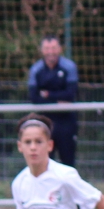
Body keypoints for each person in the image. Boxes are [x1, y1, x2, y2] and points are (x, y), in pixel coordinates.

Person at [27, 36, 81, 166]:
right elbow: (34, 97)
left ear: (60, 49)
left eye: (53, 48)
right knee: (44, 163)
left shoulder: (69, 67)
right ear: (42, 50)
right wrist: (57, 102)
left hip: (66, 121)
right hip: (44, 122)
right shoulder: (36, 69)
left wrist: (48, 94)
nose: (50, 52)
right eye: (47, 48)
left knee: (68, 163)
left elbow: (70, 94)